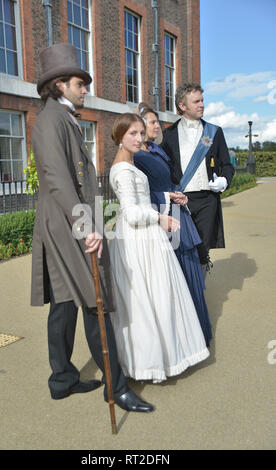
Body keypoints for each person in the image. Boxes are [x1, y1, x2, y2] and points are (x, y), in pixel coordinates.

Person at [31, 43, 154, 412]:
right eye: (79, 83)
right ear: (59, 85)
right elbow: (56, 177)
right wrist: (87, 227)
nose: (85, 88)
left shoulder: (62, 116)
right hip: (69, 225)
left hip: (66, 221)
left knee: (66, 304)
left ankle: (62, 380)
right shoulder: (52, 119)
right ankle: (115, 387)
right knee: (93, 300)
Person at [108, 113, 210, 384]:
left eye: (141, 132)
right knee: (146, 301)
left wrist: (166, 196)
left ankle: (167, 356)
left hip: (147, 237)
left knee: (159, 297)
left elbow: (141, 198)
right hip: (139, 239)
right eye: (133, 133)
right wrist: (160, 218)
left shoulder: (130, 165)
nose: (140, 138)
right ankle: (150, 363)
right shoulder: (122, 169)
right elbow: (131, 213)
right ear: (119, 137)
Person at [134, 102, 212, 346]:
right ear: (139, 126)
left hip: (178, 212)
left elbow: (170, 181)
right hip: (161, 217)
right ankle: (182, 339)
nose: (158, 126)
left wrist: (179, 193)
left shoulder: (156, 152)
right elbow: (139, 195)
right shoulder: (137, 157)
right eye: (153, 122)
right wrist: (168, 196)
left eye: (157, 121)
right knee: (175, 277)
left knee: (190, 271)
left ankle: (197, 334)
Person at [161, 83, 235, 277]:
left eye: (202, 100)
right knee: (182, 245)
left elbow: (227, 165)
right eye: (196, 101)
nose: (202, 105)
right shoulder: (168, 135)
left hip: (207, 200)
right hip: (180, 199)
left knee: (202, 246)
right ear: (182, 106)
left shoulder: (213, 132)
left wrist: (224, 181)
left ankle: (199, 290)